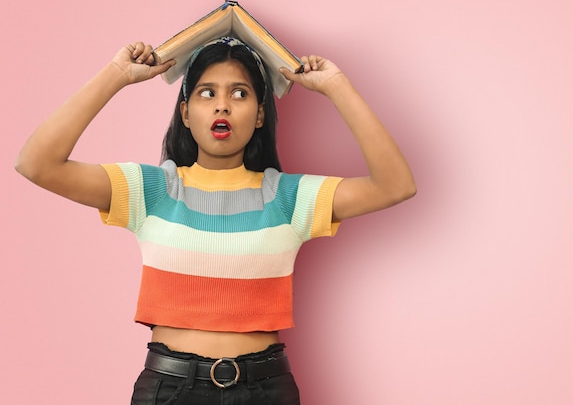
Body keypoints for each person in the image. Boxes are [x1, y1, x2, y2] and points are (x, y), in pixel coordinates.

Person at [15, 35, 416, 404]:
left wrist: (336, 87)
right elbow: (37, 163)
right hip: (169, 389)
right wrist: (116, 75)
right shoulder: (152, 190)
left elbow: (395, 184)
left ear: (259, 115)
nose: (222, 104)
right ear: (186, 113)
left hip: (266, 388)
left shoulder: (287, 197)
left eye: (239, 94)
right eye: (208, 93)